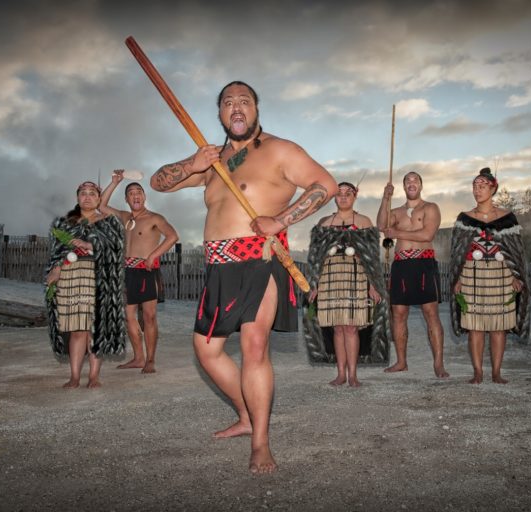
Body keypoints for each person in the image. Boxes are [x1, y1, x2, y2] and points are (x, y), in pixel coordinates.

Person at [150, 80, 337, 474]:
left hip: (261, 260)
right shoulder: (213, 161)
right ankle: (246, 413)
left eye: (245, 101)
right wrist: (192, 164)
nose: (237, 108)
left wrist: (281, 219)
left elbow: (326, 185)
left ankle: (261, 442)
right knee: (207, 351)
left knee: (254, 346)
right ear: (220, 114)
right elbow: (158, 183)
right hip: (219, 265)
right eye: (228, 103)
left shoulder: (279, 150)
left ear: (256, 109)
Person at [449, 167, 530, 384]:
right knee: (475, 325)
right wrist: (457, 279)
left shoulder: (507, 218)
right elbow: (457, 252)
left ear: (493, 187)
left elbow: (516, 251)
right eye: (475, 186)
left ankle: (496, 372)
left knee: (498, 326)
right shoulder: (464, 219)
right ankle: (478, 372)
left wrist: (515, 275)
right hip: (471, 274)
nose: (477, 189)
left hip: (501, 275)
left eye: (482, 185)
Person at [45, 181, 126, 388]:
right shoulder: (63, 224)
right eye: (83, 193)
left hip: (98, 278)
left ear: (99, 199)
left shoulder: (110, 222)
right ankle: (74, 376)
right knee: (76, 329)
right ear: (77, 197)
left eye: (92, 193)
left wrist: (91, 245)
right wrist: (55, 268)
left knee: (95, 327)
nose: (87, 197)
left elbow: (117, 249)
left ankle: (93, 376)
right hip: (69, 278)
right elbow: (55, 252)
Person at [305, 182, 384, 387]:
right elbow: (316, 257)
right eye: (339, 194)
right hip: (330, 276)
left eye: (348, 193)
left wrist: (373, 285)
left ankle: (353, 375)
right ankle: (340, 373)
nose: (343, 197)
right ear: (334, 198)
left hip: (356, 274)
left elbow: (372, 257)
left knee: (351, 327)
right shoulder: (324, 222)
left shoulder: (364, 221)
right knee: (338, 327)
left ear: (355, 196)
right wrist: (315, 284)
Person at [99, 172, 178, 373]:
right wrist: (115, 182)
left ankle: (150, 360)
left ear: (144, 197)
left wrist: (153, 255)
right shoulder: (125, 217)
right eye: (131, 193)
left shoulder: (155, 218)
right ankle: (138, 358)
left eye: (139, 192)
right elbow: (101, 206)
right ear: (126, 199)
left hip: (146, 271)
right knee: (128, 316)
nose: (135, 195)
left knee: (149, 317)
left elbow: (172, 236)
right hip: (127, 272)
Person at [376, 171, 449, 378]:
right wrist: (385, 198)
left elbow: (427, 234)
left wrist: (397, 233)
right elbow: (382, 225)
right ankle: (401, 362)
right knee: (398, 314)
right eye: (407, 180)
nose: (411, 183)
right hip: (401, 265)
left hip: (424, 262)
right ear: (404, 187)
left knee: (430, 313)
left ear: (421, 185)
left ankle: (438, 364)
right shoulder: (397, 212)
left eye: (415, 179)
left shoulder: (430, 207)